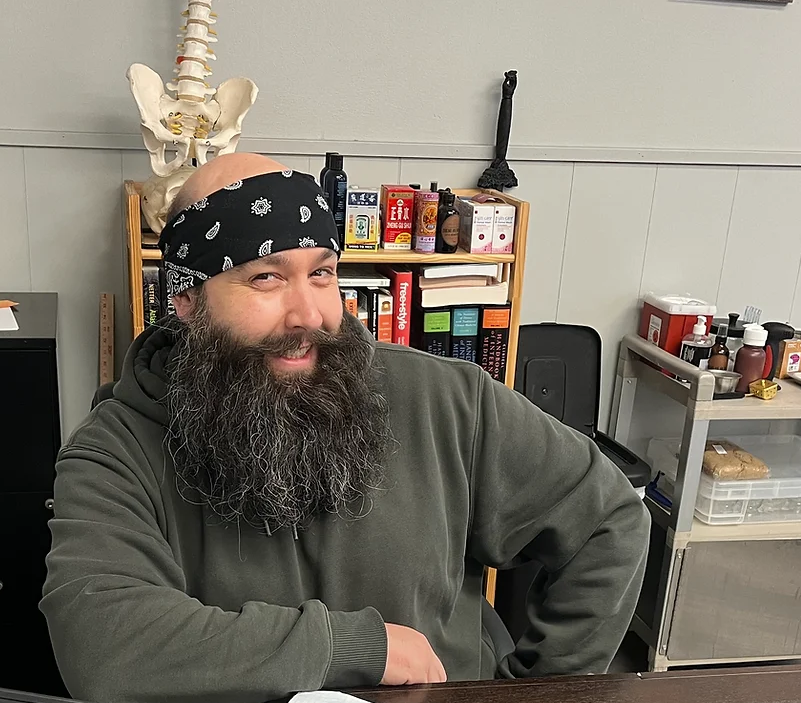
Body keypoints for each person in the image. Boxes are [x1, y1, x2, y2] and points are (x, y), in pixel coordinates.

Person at [40, 153, 650, 703]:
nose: (309, 314)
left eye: (322, 273)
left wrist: (538, 695)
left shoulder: (446, 400)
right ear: (188, 300)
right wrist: (352, 648)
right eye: (266, 278)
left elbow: (608, 519)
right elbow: (104, 644)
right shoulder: (115, 451)